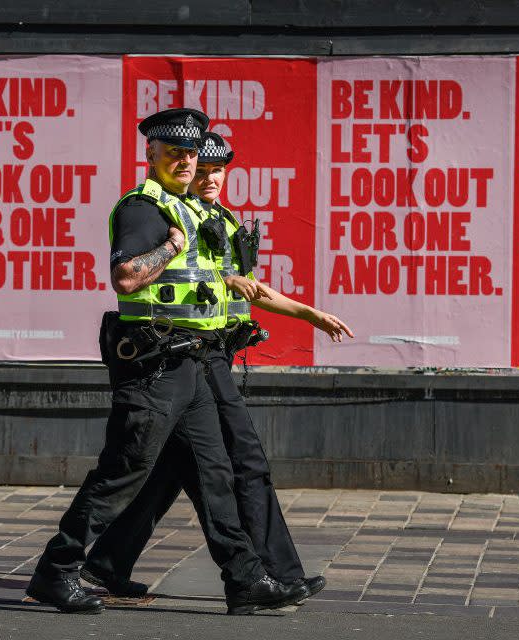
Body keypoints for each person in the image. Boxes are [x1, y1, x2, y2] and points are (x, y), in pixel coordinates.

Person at [25, 110, 308, 615]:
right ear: (151, 154)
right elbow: (127, 278)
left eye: (191, 152)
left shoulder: (191, 207)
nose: (184, 161)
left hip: (192, 360)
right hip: (154, 362)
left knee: (214, 471)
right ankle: (57, 571)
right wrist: (171, 245)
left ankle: (244, 580)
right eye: (173, 152)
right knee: (125, 470)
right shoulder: (144, 208)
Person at [81, 131, 353, 601]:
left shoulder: (217, 218)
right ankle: (268, 573)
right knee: (239, 465)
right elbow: (143, 275)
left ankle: (104, 568)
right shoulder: (161, 210)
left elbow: (245, 286)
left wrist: (308, 313)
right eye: (198, 169)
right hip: (186, 358)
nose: (206, 177)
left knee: (169, 473)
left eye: (214, 170)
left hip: (207, 356)